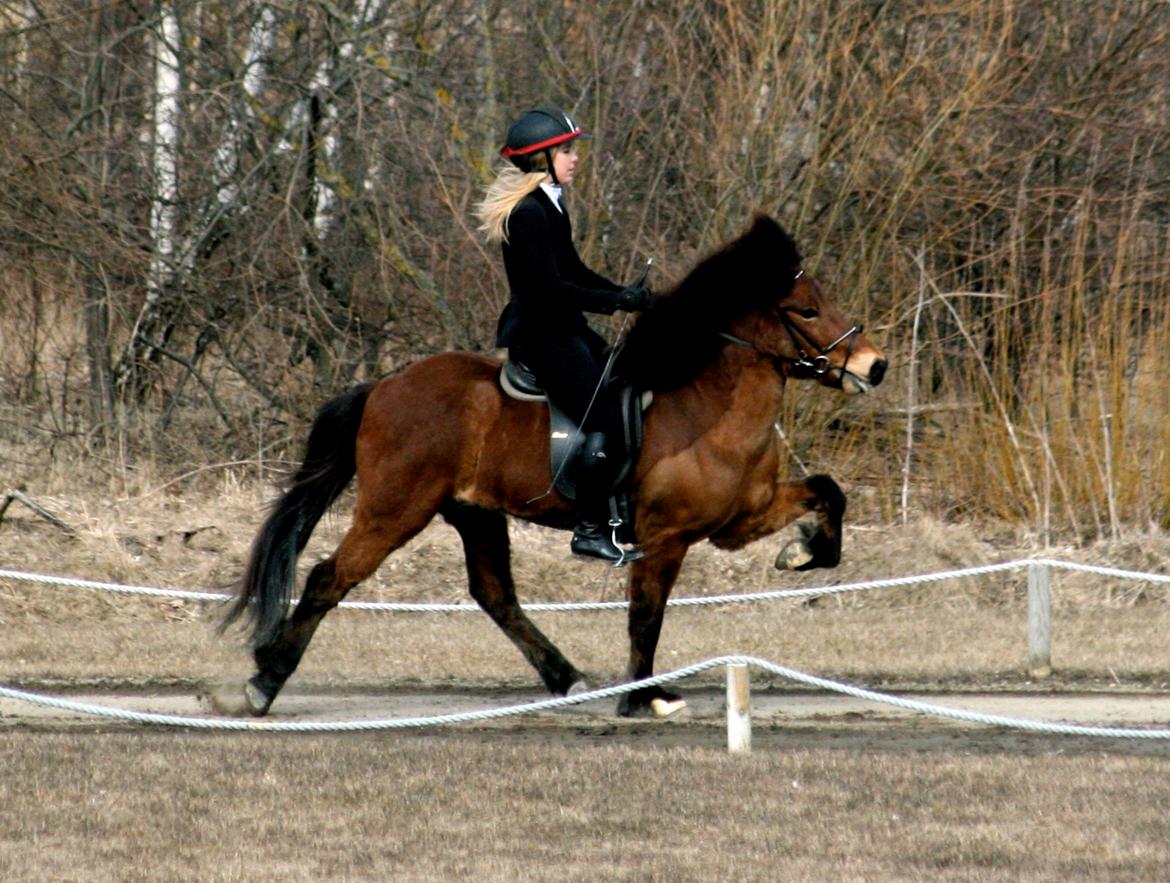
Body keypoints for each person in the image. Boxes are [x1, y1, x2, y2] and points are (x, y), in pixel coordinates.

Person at [475, 105, 652, 564]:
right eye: (567, 151)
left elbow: (574, 271)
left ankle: (621, 512)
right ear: (541, 160)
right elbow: (550, 289)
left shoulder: (551, 207)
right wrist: (613, 303)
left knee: (627, 391)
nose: (575, 159)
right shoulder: (528, 215)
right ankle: (591, 531)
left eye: (573, 150)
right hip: (543, 335)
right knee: (606, 418)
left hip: (564, 328)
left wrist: (624, 294)